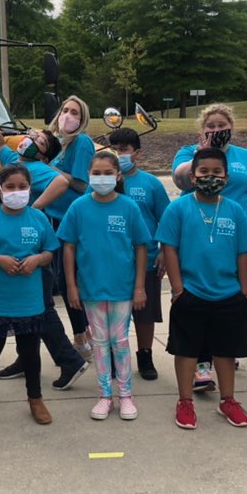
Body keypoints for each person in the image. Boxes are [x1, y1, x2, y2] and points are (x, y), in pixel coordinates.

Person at [0, 104, 90, 390]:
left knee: (40, 307)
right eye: (32, 134)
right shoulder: (14, 162)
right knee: (26, 309)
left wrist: (35, 207)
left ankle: (70, 360)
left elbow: (62, 182)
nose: (29, 138)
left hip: (32, 246)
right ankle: (23, 359)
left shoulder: (36, 169)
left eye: (38, 140)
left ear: (42, 154)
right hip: (14, 244)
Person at [157, 148, 247, 430]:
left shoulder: (234, 210)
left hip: (228, 293)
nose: (210, 177)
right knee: (186, 350)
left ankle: (228, 400)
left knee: (226, 350)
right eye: (203, 172)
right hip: (191, 292)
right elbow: (170, 248)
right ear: (192, 175)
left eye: (216, 172)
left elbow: (243, 253)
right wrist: (178, 289)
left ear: (226, 176)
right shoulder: (179, 207)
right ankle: (185, 401)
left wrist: (244, 290)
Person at [172, 103, 247, 390]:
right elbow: (179, 178)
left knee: (235, 298)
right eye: (209, 126)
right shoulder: (189, 153)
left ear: (231, 128)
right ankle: (202, 366)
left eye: (220, 126)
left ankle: (225, 348)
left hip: (239, 238)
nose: (216, 131)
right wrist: (202, 153)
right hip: (200, 237)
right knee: (197, 298)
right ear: (202, 130)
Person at [59, 151, 151, 421]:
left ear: (118, 175)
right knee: (99, 342)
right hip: (91, 288)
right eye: (96, 173)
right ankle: (104, 396)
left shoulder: (129, 207)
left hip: (123, 288)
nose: (101, 178)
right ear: (88, 175)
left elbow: (141, 247)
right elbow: (69, 247)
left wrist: (139, 287)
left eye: (107, 173)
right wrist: (71, 286)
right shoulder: (78, 207)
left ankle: (125, 396)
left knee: (120, 342)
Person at [0, 164, 58, 428]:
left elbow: (50, 251)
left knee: (30, 352)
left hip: (29, 300)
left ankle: (35, 399)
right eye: (10, 187)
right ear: (0, 189)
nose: (16, 192)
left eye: (22, 187)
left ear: (30, 188)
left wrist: (38, 259)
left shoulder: (38, 218)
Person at [107, 127, 170, 381]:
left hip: (148, 259)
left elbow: (166, 219)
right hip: (114, 260)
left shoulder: (150, 184)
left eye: (123, 149)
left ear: (137, 154)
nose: (118, 154)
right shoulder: (104, 181)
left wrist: (165, 250)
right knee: (113, 312)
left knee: (145, 312)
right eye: (114, 149)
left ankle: (145, 355)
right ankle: (113, 356)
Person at [44, 95, 97, 355]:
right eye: (65, 110)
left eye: (75, 112)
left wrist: (49, 170)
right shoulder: (58, 144)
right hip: (51, 217)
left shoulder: (82, 142)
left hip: (68, 219)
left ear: (82, 118)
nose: (68, 115)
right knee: (61, 278)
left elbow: (80, 183)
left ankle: (79, 336)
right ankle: (85, 332)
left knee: (67, 280)